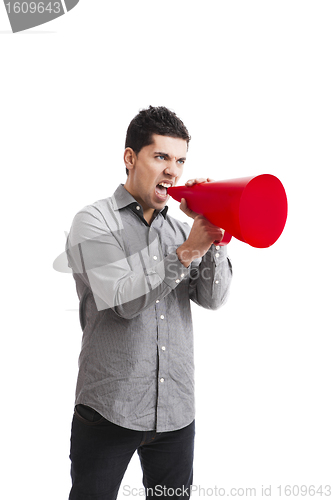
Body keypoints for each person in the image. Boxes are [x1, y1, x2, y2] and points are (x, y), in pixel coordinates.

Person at [66, 106, 233, 499]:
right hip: (109, 411)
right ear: (130, 158)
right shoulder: (93, 222)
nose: (173, 171)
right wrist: (188, 250)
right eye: (161, 157)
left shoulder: (180, 229)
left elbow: (214, 297)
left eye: (180, 160)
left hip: (176, 414)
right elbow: (123, 301)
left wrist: (215, 234)